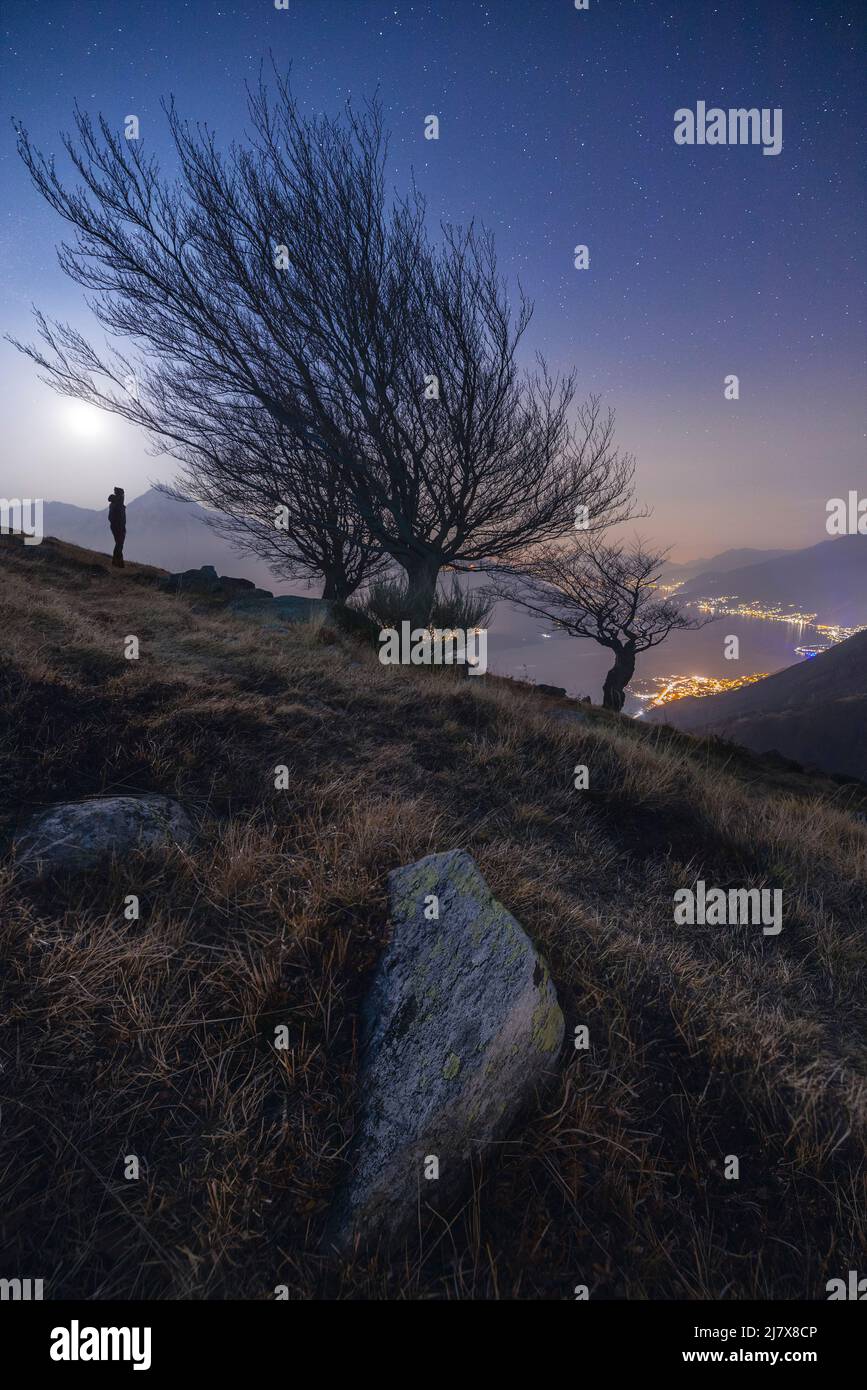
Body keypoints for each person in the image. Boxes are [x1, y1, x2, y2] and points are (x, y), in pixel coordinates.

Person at [108, 487, 126, 568]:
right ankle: (117, 562)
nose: (123, 496)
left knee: (119, 544)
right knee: (119, 543)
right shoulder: (117, 505)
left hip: (118, 526)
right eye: (122, 494)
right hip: (118, 527)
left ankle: (119, 562)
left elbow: (110, 518)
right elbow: (113, 517)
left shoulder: (115, 504)